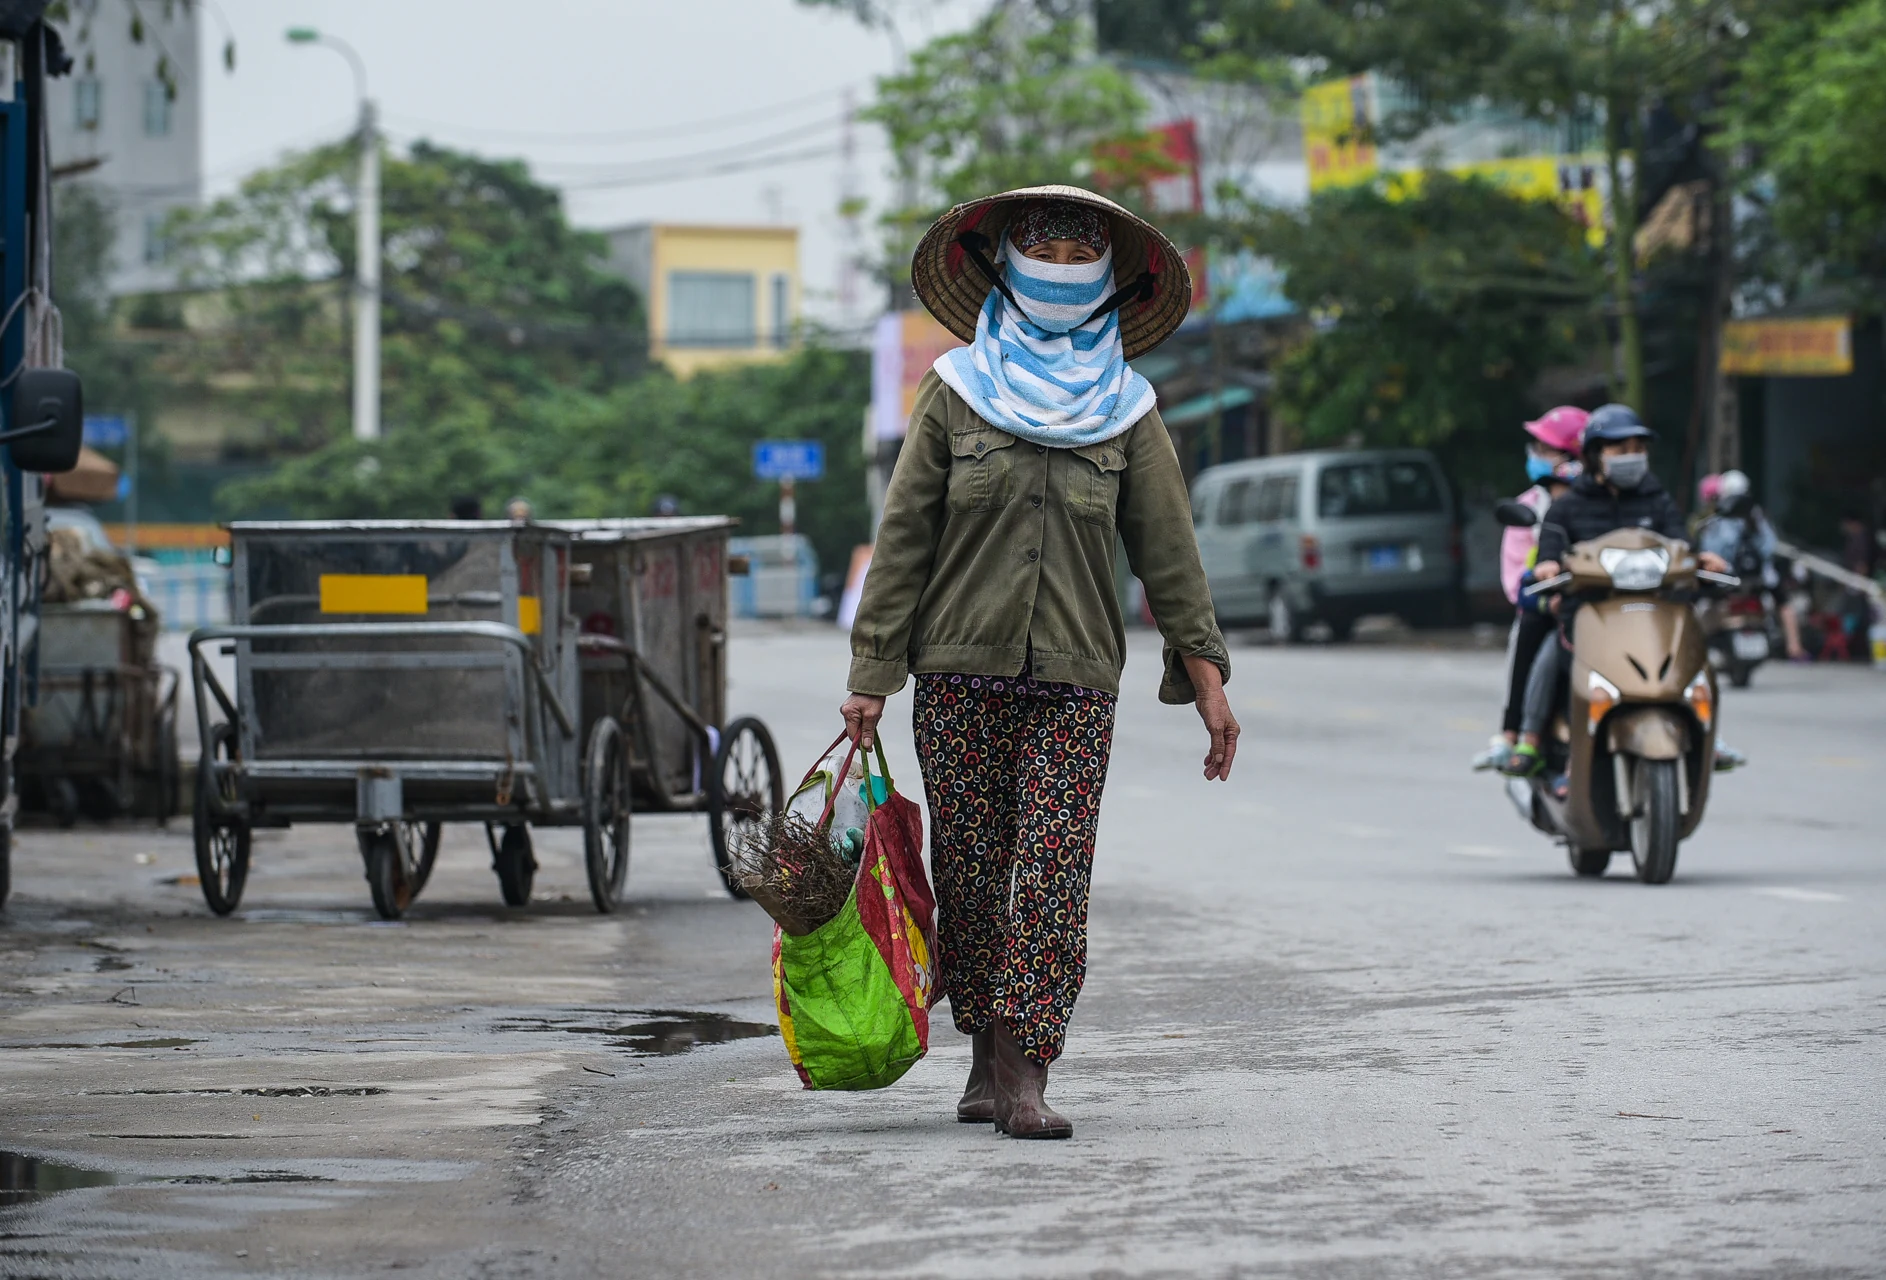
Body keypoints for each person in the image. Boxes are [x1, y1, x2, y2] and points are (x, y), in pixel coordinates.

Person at [840, 187, 1235, 1140]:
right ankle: (982, 1057)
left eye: (1079, 252)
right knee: (974, 878)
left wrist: (1210, 684)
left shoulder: (1129, 414)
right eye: (1042, 249)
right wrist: (870, 677)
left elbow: (1169, 552)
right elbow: (902, 543)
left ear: (1106, 281)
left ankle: (1027, 1074)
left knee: (1052, 873)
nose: (1059, 265)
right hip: (957, 675)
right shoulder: (953, 392)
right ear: (1005, 268)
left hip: (1074, 681)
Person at [1502, 404, 1728, 782]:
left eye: (1638, 448)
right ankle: (1529, 735)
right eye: (1619, 450)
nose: (1631, 457)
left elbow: (1681, 545)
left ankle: (1706, 736)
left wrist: (1702, 561)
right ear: (1594, 455)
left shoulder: (1657, 500)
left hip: (1654, 610)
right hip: (1591, 612)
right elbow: (1550, 550)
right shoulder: (1567, 508)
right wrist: (1549, 566)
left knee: (1693, 650)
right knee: (1554, 654)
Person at [1475, 406, 1586, 771]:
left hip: (1601, 603)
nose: (1535, 454)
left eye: (1545, 448)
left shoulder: (1608, 501)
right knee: (1534, 632)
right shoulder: (1530, 509)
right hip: (1547, 604)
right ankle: (1517, 733)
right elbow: (1516, 581)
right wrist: (1544, 590)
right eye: (1536, 446)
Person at [1696, 469, 1804, 660]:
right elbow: (1768, 545)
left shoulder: (1721, 517)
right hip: (1760, 577)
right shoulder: (1756, 514)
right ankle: (1794, 647)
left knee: (1696, 599)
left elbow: (1713, 550)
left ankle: (1692, 648)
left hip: (1727, 576)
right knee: (1784, 602)